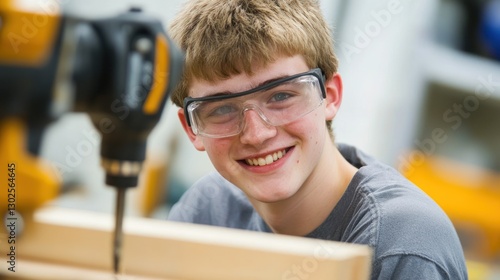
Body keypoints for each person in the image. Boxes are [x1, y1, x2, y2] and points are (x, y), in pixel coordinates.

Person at [166, 0, 468, 278]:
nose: (256, 134)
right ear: (192, 128)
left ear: (331, 95)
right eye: (222, 109)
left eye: (281, 96)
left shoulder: (398, 246)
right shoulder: (208, 213)